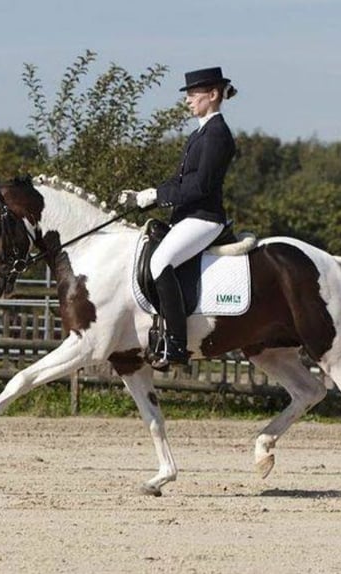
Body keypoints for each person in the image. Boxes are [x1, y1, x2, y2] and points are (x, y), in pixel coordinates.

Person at [119, 66, 238, 371]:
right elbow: (181, 180)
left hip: (205, 218)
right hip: (188, 216)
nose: (187, 100)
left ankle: (176, 344)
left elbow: (201, 186)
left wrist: (158, 197)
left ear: (212, 95)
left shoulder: (217, 134)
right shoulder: (199, 133)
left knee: (160, 262)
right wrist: (147, 195)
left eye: (192, 94)